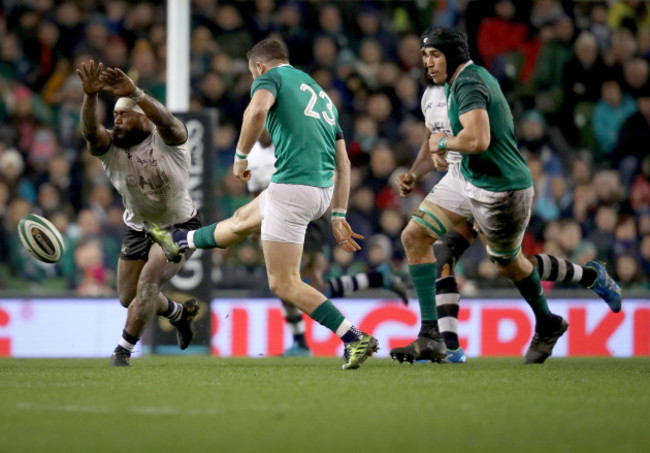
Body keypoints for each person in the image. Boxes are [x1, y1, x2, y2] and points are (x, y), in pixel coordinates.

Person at [148, 38, 378, 370]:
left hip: (294, 185)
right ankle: (180, 240)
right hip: (320, 191)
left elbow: (256, 110)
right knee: (242, 220)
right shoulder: (320, 94)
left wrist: (240, 157)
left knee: (284, 282)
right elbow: (344, 163)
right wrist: (338, 214)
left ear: (259, 67)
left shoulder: (271, 77)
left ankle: (354, 337)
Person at [394, 52, 623, 365]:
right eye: (424, 57)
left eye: (434, 56)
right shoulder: (430, 95)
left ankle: (584, 280)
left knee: (508, 264)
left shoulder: (468, 87)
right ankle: (446, 345)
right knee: (434, 248)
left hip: (491, 185)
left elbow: (472, 139)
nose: (428, 63)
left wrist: (445, 147)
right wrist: (415, 172)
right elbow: (431, 138)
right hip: (458, 182)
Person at [76, 60, 201, 367]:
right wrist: (91, 97)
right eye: (114, 114)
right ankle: (178, 313)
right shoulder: (111, 147)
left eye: (123, 114)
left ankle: (123, 350)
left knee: (149, 281)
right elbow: (92, 133)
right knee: (127, 297)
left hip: (179, 226)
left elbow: (168, 121)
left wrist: (134, 92)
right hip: (139, 228)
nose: (116, 119)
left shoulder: (169, 140)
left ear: (144, 118)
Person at [247, 131, 408, 357]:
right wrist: (252, 224)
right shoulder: (251, 154)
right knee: (313, 287)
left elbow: (325, 170)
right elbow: (254, 193)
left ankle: (302, 343)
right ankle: (377, 278)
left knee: (286, 281)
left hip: (306, 219)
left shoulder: (291, 141)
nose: (262, 129)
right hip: (274, 222)